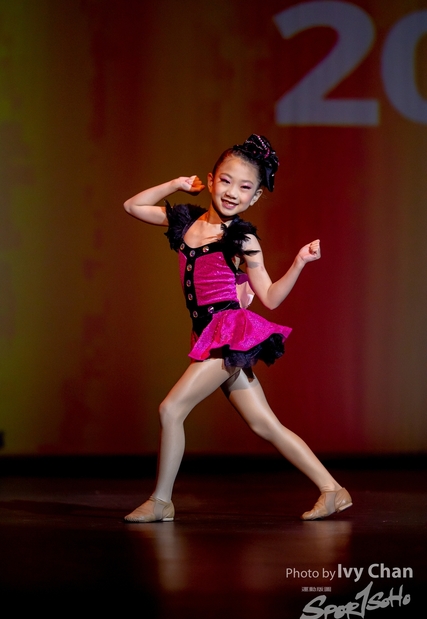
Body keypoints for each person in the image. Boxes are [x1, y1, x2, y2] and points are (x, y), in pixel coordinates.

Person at [123, 134, 352, 522]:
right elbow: (133, 206)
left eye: (245, 187)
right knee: (265, 424)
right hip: (207, 334)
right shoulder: (185, 221)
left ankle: (161, 501)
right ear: (211, 180)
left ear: (256, 196)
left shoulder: (242, 239)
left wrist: (299, 261)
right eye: (227, 181)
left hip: (228, 333)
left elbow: (271, 298)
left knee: (171, 409)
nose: (233, 193)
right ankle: (333, 489)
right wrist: (176, 184)